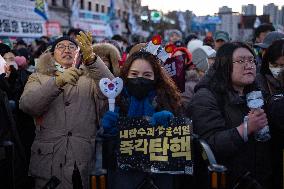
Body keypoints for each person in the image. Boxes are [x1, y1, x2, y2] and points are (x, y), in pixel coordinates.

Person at [19, 32, 113, 189]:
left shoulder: (90, 78)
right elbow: (28, 105)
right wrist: (57, 82)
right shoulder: (38, 77)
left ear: (79, 52)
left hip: (83, 158)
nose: (66, 49)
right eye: (60, 47)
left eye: (72, 47)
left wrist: (92, 59)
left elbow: (111, 88)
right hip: (50, 161)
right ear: (52, 54)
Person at [189, 42, 272, 188]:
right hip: (227, 181)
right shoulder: (205, 97)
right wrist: (246, 129)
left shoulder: (257, 93)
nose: (249, 65)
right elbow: (208, 146)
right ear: (224, 65)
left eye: (251, 60)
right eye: (241, 61)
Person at [101, 51, 182, 189]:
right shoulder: (116, 101)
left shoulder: (168, 100)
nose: (140, 79)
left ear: (156, 77)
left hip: (159, 181)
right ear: (126, 74)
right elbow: (106, 156)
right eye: (134, 74)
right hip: (124, 180)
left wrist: (171, 127)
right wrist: (109, 133)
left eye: (147, 75)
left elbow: (180, 150)